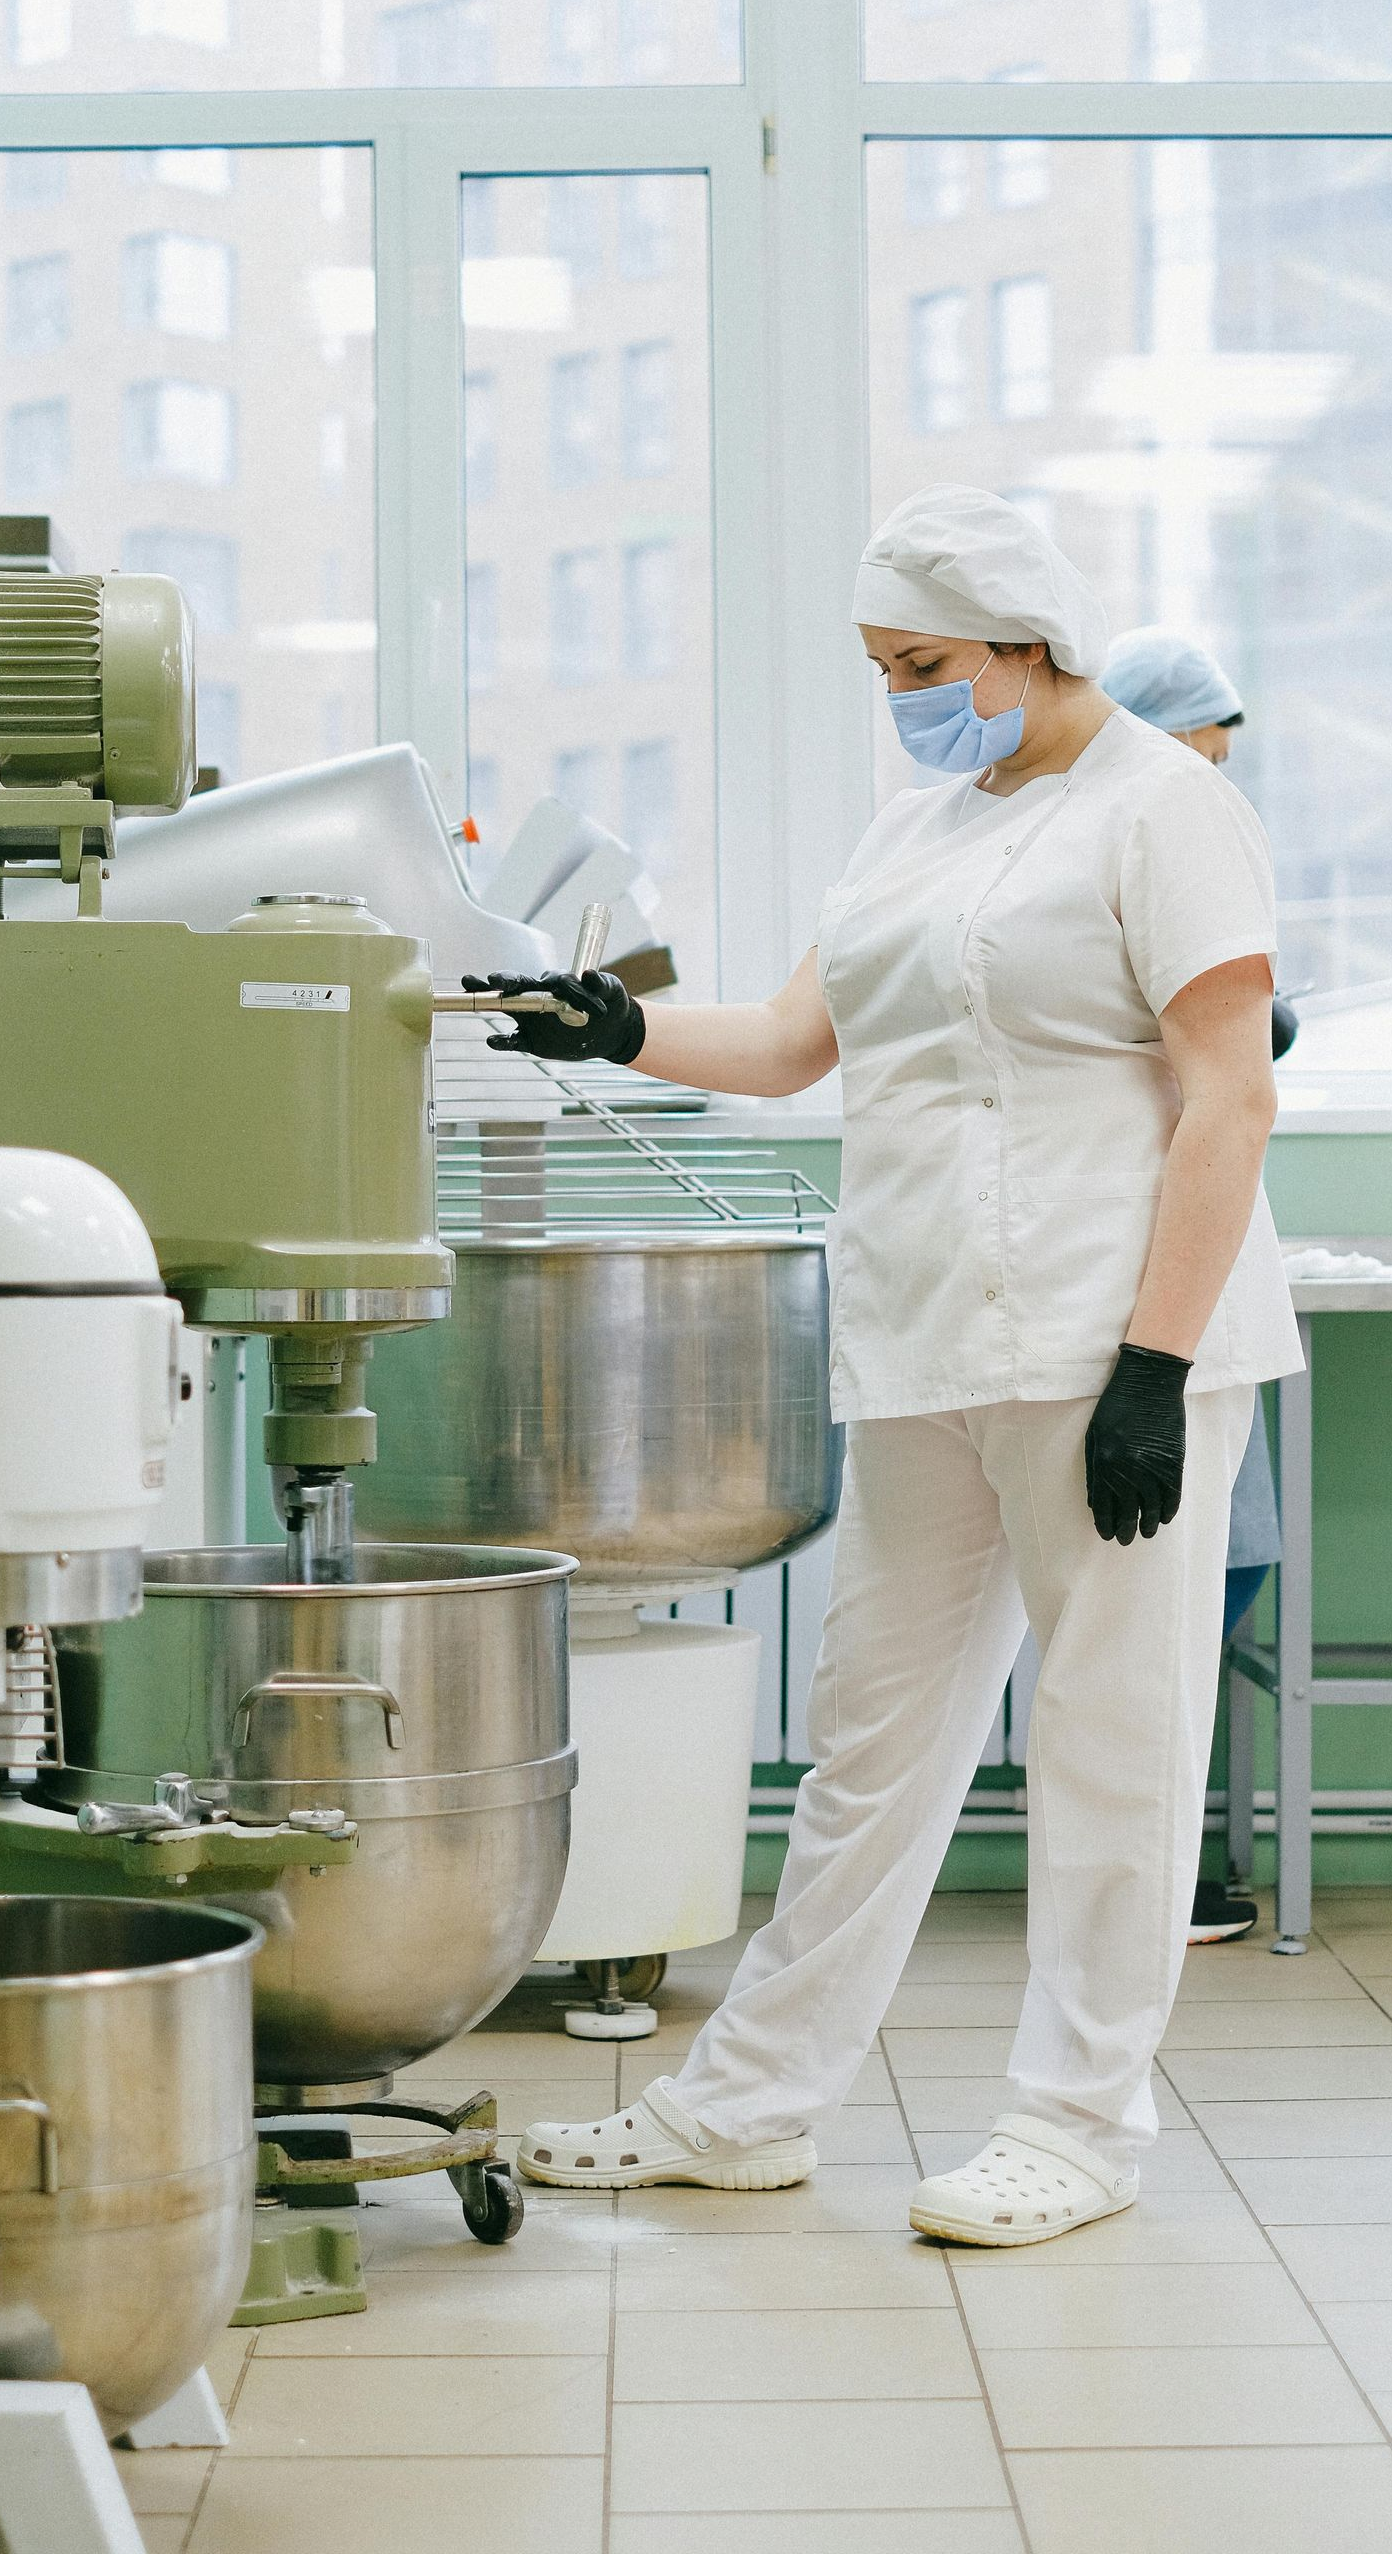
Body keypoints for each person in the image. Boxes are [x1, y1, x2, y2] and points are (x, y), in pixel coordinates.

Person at [479, 487, 1302, 2248]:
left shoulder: (1171, 809)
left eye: (919, 665)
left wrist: (1156, 1362)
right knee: (871, 1744)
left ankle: (1079, 2125)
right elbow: (789, 1046)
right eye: (879, 671)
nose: (902, 700)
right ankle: (749, 2106)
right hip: (927, 1337)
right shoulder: (913, 826)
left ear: (1026, 643)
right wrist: (615, 1024)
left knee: (1110, 1741)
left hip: (1105, 1339)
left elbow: (1229, 1091)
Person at [1103, 626, 1298, 1945]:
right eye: (1192, 748)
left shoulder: (1191, 841)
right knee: (1147, 1587)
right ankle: (1139, 1871)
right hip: (1136, 1268)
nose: (1207, 778)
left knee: (1230, 1557)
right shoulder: (1106, 842)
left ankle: (1147, 1859)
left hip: (1212, 1273)